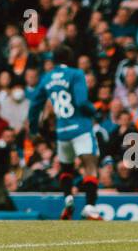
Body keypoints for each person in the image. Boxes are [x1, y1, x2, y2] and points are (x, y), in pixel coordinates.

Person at [40, 44, 102, 220]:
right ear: (70, 58)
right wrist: (94, 111)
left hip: (62, 130)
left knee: (66, 167)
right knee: (90, 165)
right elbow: (82, 102)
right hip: (80, 127)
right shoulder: (76, 74)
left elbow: (43, 108)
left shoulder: (47, 78)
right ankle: (90, 206)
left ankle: (68, 198)